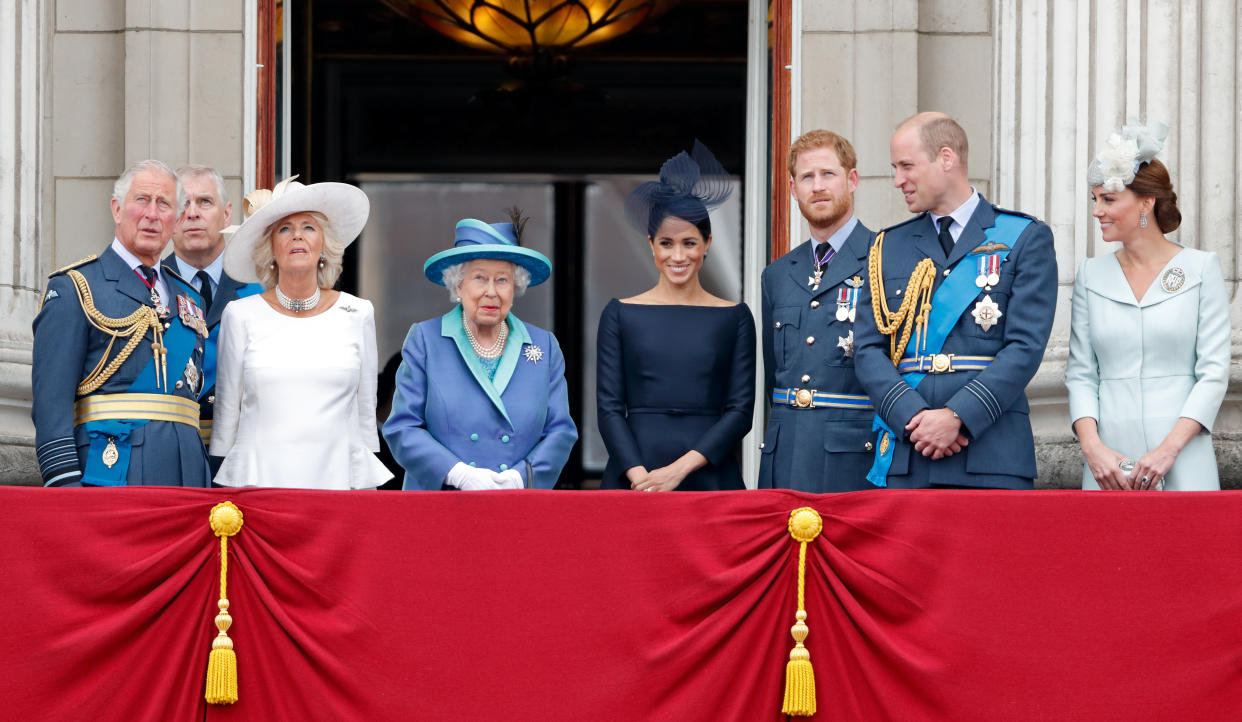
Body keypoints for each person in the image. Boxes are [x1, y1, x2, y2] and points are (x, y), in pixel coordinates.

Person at [852, 112, 1057, 489]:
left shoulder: (1025, 237)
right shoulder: (887, 246)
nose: (898, 180)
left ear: (946, 158)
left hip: (991, 452)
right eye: (895, 168)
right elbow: (867, 349)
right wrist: (912, 417)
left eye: (906, 166)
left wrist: (957, 416)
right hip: (908, 450)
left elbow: (1025, 347)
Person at [1066, 121, 1230, 491]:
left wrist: (1168, 451)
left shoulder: (1201, 268)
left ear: (1146, 201)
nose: (1097, 211)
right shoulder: (1091, 274)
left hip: (1183, 458)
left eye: (1108, 199)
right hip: (1107, 465)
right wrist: (1093, 449)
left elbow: (1214, 372)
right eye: (1095, 200)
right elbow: (1080, 374)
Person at [31, 159, 211, 487]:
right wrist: (65, 486)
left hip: (187, 475)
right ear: (116, 209)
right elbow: (50, 406)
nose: (152, 214)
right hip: (112, 473)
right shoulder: (76, 287)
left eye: (164, 204)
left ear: (176, 219)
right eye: (142, 200)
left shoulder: (190, 299)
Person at [210, 177, 392, 489]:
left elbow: (364, 423)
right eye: (284, 228)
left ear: (324, 244)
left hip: (337, 486)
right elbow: (227, 421)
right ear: (270, 249)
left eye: (308, 227)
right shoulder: (240, 315)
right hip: (260, 485)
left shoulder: (359, 313)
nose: (297, 236)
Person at [597, 141, 756, 491]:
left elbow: (740, 412)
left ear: (707, 243)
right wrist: (642, 478)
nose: (678, 255)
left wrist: (678, 471)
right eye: (667, 243)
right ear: (651, 244)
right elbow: (609, 409)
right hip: (634, 477)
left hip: (709, 475)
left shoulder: (736, 317)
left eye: (689, 242)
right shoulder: (619, 314)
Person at [383, 211, 578, 490]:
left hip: (516, 505)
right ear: (458, 285)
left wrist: (521, 477)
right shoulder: (426, 340)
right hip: (441, 505)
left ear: (515, 287)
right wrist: (457, 473)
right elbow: (402, 427)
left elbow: (560, 431)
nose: (491, 291)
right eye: (479, 278)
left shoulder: (544, 346)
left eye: (502, 280)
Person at [759, 130, 876, 492]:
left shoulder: (884, 259)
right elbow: (773, 375)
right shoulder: (778, 274)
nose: (818, 186)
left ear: (852, 180)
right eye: (807, 177)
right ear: (793, 189)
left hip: (853, 458)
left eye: (828, 174)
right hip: (785, 453)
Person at [166, 165, 263, 471]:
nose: (192, 213)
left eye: (205, 202)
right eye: (182, 204)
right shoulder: (146, 287)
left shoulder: (262, 288)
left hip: (247, 456)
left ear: (226, 214)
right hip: (172, 454)